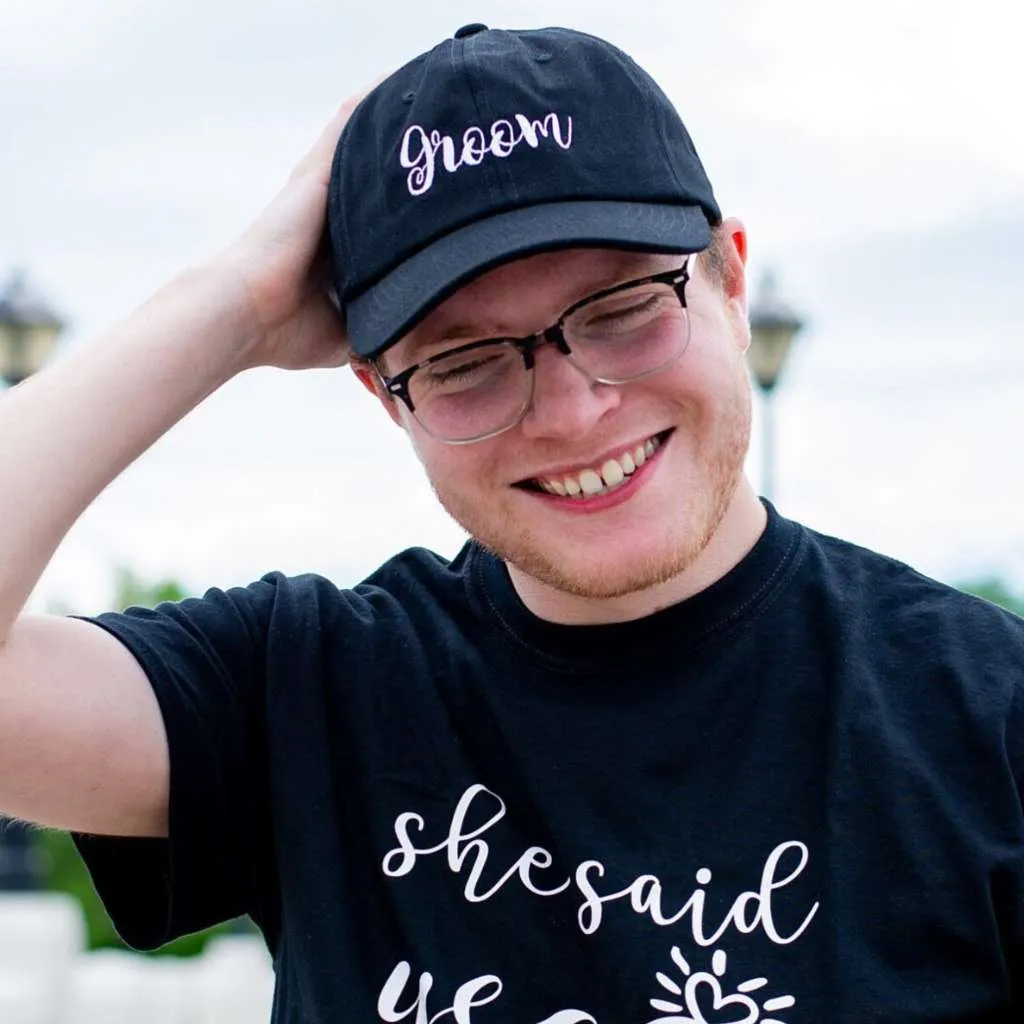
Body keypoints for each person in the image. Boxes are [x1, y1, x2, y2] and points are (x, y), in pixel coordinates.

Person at [0, 22, 1022, 1023]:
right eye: (463, 363)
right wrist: (231, 307)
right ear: (384, 397)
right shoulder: (307, 693)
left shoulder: (987, 717)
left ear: (731, 277)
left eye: (624, 306)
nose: (574, 411)